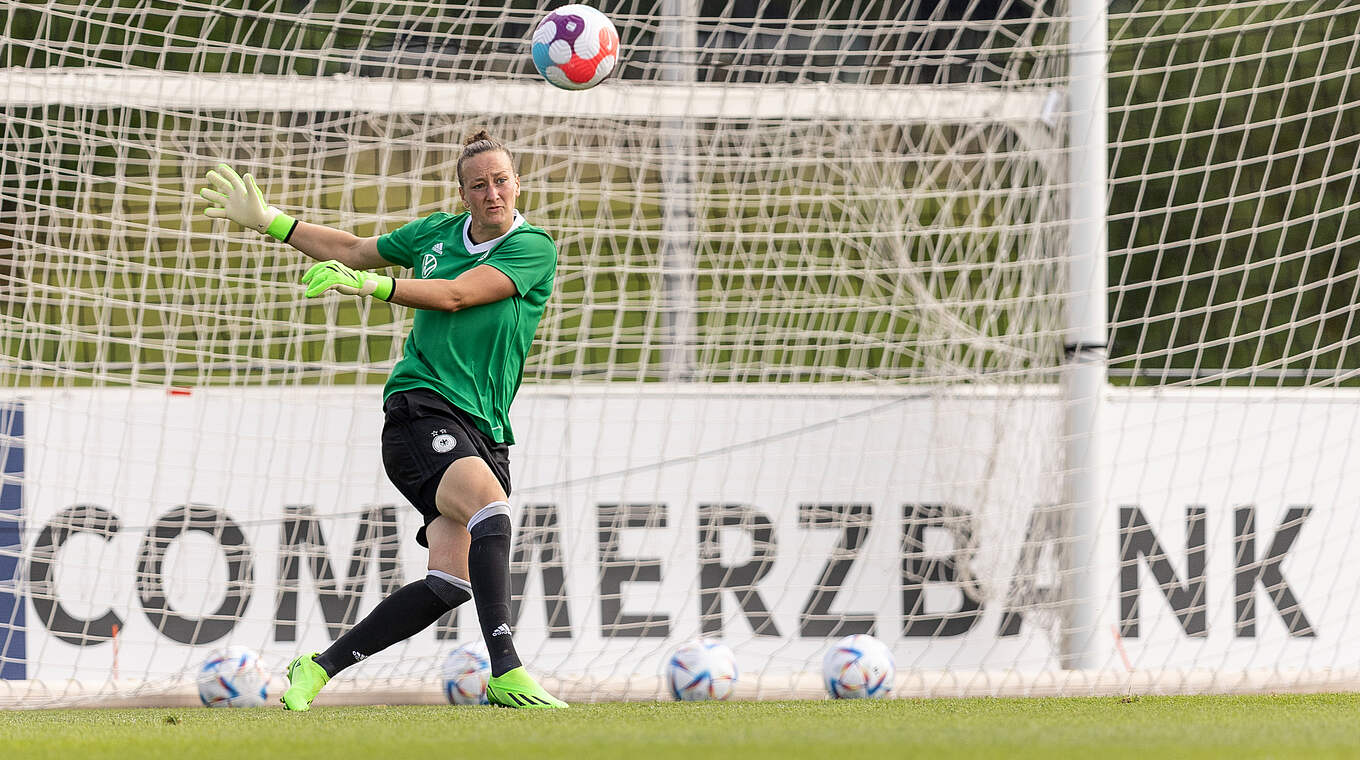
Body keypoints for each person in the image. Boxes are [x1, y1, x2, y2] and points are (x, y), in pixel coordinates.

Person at [199, 130, 566, 710]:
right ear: (463, 194)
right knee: (491, 509)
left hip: (484, 427)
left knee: (449, 584)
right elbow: (352, 250)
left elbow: (456, 295)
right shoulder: (434, 234)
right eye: (479, 184)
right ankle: (507, 671)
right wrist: (272, 220)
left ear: (517, 183)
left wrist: (373, 286)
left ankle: (316, 669)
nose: (492, 192)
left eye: (501, 180)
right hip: (420, 408)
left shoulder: (533, 248)